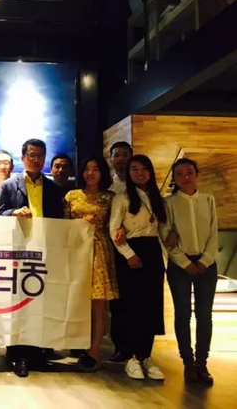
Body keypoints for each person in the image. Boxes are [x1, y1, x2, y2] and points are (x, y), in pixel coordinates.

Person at [0, 138, 64, 378]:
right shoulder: (9, 185)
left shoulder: (54, 189)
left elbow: (61, 222)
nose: (36, 160)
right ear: (23, 157)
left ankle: (38, 353)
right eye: (32, 155)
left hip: (45, 252)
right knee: (19, 304)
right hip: (19, 253)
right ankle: (18, 355)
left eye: (40, 156)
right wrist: (14, 212)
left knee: (42, 303)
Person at [109, 154, 166, 381]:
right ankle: (132, 357)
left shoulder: (157, 197)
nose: (140, 173)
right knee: (132, 306)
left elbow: (161, 228)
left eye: (144, 169)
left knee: (151, 306)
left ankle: (146, 355)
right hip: (131, 252)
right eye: (134, 169)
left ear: (150, 172)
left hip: (153, 253)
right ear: (129, 173)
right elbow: (113, 230)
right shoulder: (122, 197)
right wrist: (129, 255)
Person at [161, 158, 217, 385]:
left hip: (206, 265)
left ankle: (202, 362)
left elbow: (214, 234)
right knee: (183, 314)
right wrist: (184, 263)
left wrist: (205, 261)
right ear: (174, 178)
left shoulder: (208, 200)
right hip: (179, 266)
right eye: (180, 174)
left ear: (197, 175)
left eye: (189, 172)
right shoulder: (168, 203)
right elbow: (166, 236)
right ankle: (187, 361)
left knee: (204, 315)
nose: (185, 177)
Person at [64, 156, 117, 370]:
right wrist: (79, 223)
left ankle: (94, 350)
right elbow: (63, 225)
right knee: (77, 301)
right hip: (76, 251)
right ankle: (78, 344)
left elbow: (117, 223)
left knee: (97, 304)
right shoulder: (71, 195)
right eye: (87, 169)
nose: (90, 173)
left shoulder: (110, 197)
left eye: (95, 169)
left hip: (99, 250)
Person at [108, 141, 133, 363]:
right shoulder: (107, 185)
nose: (121, 159)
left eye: (125, 154)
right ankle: (120, 345)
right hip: (110, 247)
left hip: (135, 248)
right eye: (117, 155)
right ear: (111, 159)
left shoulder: (140, 184)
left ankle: (138, 347)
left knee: (135, 298)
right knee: (117, 300)